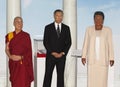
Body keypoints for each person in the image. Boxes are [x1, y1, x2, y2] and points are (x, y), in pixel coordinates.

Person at [81, 11, 114, 87]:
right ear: (93, 19)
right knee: (91, 81)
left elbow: (110, 45)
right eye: (96, 18)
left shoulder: (108, 30)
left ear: (103, 20)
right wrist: (83, 56)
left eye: (100, 19)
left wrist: (111, 58)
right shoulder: (89, 29)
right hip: (92, 61)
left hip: (103, 60)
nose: (98, 20)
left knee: (102, 81)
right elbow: (85, 43)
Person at [43, 9, 72, 87]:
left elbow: (69, 42)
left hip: (61, 57)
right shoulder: (48, 27)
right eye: (57, 15)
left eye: (61, 16)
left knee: (60, 77)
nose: (59, 17)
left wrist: (63, 53)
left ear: (62, 17)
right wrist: (52, 52)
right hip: (50, 56)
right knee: (48, 75)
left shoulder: (66, 28)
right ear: (54, 16)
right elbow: (46, 42)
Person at [5, 17, 34, 87]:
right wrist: (11, 56)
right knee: (15, 83)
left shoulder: (26, 36)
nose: (19, 23)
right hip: (13, 64)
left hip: (23, 64)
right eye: (17, 22)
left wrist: (21, 57)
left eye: (21, 22)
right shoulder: (9, 35)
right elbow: (6, 49)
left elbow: (29, 51)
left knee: (24, 82)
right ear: (13, 23)